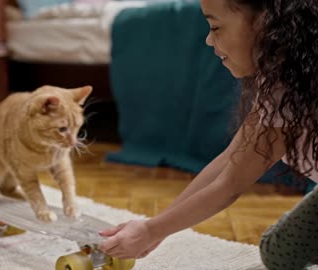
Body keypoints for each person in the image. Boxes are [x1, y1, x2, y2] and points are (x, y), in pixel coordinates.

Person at [99, 0, 318, 269]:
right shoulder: (281, 78)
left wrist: (151, 231)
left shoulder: (290, 86)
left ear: (264, 22)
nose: (208, 39)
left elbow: (229, 185)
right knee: (278, 252)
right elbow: (230, 160)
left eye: (215, 27)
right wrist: (155, 227)